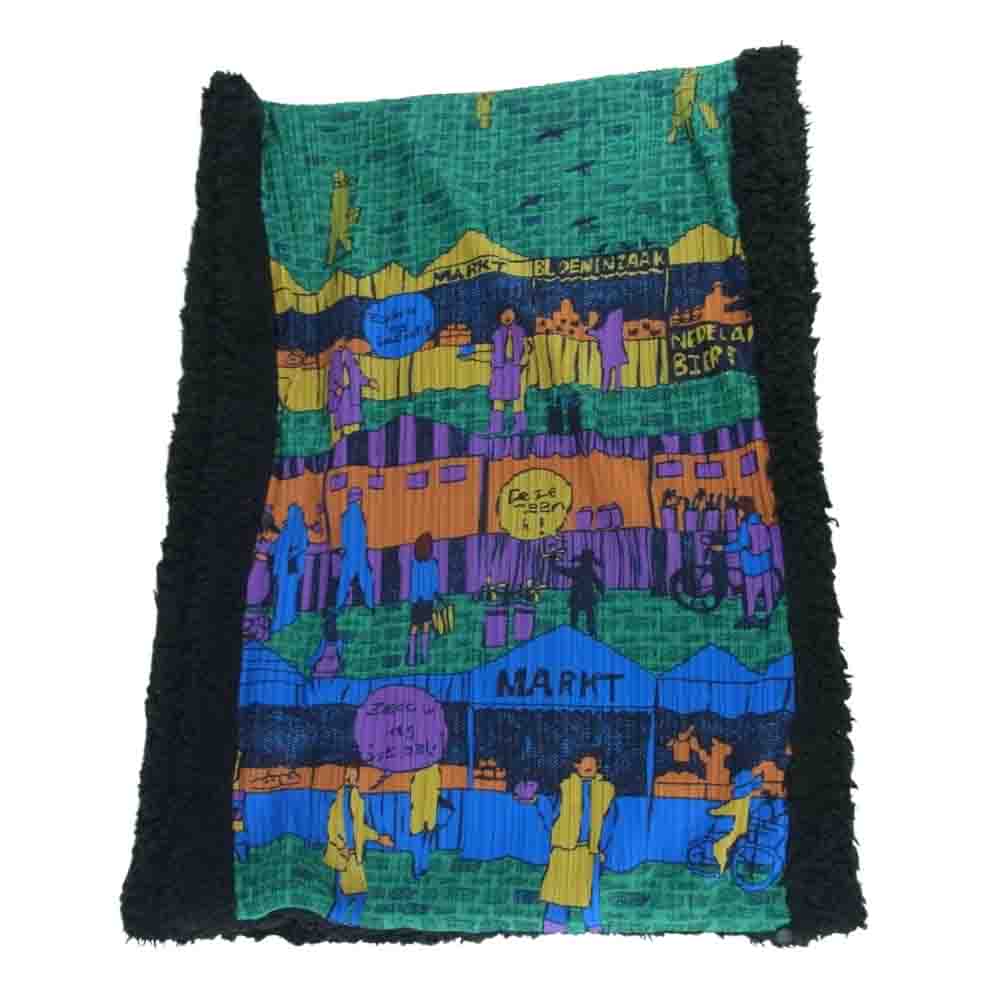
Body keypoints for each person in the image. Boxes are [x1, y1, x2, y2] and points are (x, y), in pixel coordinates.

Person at [535, 749, 618, 934]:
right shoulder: (564, 787)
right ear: (576, 765)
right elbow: (551, 813)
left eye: (593, 762)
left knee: (590, 893)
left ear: (598, 765)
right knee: (558, 892)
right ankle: (554, 929)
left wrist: (602, 848)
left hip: (589, 850)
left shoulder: (607, 790)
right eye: (584, 761)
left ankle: (593, 929)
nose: (589, 765)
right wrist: (536, 800)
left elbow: (609, 822)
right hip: (563, 849)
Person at [324, 763, 394, 927]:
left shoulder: (350, 797)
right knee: (354, 896)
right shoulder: (347, 797)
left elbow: (358, 828)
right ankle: (346, 925)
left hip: (349, 856)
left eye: (354, 776)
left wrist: (378, 837)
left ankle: (339, 925)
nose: (353, 779)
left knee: (348, 897)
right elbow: (335, 827)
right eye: (351, 775)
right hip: (347, 856)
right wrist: (342, 847)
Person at [715, 496, 775, 628]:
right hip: (765, 563)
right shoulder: (760, 522)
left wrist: (722, 548)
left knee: (750, 593)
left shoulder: (745, 524)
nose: (738, 512)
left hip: (751, 566)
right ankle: (768, 617)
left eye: (739, 509)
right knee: (767, 591)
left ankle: (750, 618)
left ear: (743, 509)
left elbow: (741, 544)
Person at [488, 306, 532, 435]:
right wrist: (494, 365)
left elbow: (528, 349)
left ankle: (520, 427)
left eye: (510, 313)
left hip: (516, 368)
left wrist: (522, 363)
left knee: (518, 398)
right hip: (500, 369)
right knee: (498, 399)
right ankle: (496, 427)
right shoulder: (496, 333)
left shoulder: (521, 332)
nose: (507, 316)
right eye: (504, 313)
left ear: (514, 316)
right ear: (500, 317)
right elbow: (493, 351)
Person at [328, 335, 379, 445]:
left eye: (344, 340)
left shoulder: (349, 355)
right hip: (339, 399)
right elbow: (329, 377)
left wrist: (368, 382)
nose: (342, 343)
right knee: (338, 430)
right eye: (340, 340)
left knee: (353, 428)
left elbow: (356, 374)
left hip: (351, 397)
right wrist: (335, 389)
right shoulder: (331, 356)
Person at [546, 547, 606, 636]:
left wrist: (602, 591)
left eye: (589, 561)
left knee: (584, 616)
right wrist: (601, 592)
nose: (589, 563)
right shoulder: (584, 570)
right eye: (589, 561)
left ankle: (588, 631)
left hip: (582, 598)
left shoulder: (586, 571)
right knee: (583, 616)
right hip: (581, 598)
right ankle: (587, 632)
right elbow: (598, 582)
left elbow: (598, 582)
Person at [335, 487, 375, 611]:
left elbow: (344, 537)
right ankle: (369, 604)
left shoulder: (346, 516)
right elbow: (360, 538)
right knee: (365, 579)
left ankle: (339, 605)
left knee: (345, 581)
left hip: (349, 555)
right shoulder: (357, 514)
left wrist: (343, 550)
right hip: (357, 555)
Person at [270, 503, 308, 633]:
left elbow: (301, 547)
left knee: (287, 593)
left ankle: (285, 619)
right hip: (285, 567)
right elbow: (275, 547)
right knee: (284, 593)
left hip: (290, 567)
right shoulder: (287, 529)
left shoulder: (297, 530)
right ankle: (283, 619)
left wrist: (291, 553)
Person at [407, 531, 441, 666]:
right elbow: (434, 585)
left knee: (414, 627)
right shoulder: (433, 563)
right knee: (426, 627)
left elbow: (414, 583)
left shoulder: (415, 563)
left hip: (417, 601)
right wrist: (435, 599)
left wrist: (414, 599)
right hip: (428, 600)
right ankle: (425, 657)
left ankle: (411, 659)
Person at [584, 307, 627, 392]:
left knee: (607, 371)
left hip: (608, 353)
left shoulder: (606, 328)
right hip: (617, 351)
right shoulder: (617, 327)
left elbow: (599, 334)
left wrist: (589, 331)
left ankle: (605, 388)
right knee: (617, 371)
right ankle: (618, 387)